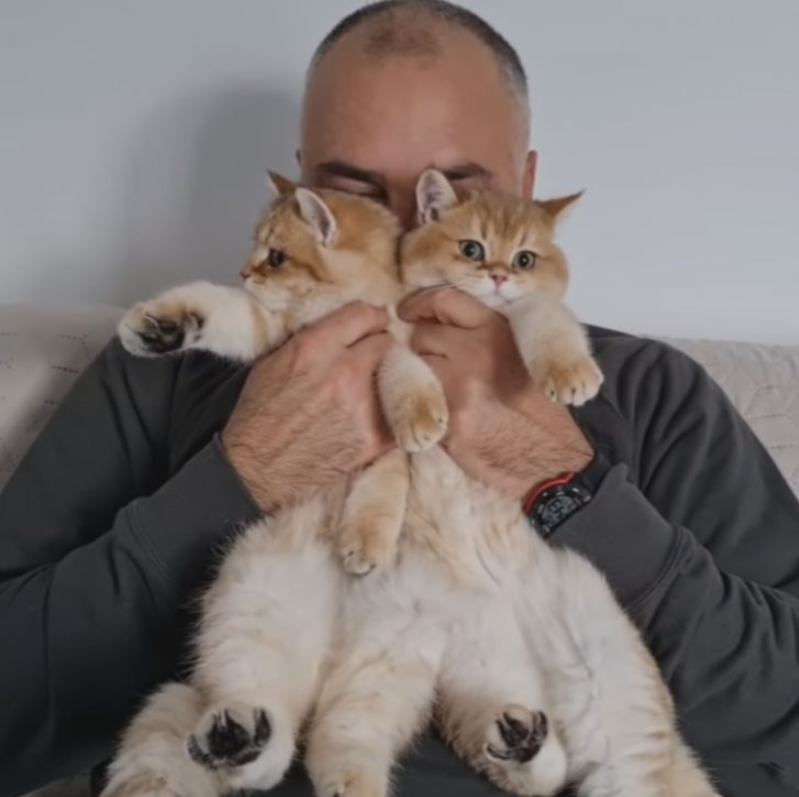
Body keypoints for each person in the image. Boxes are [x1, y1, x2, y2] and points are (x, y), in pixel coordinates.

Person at [1, 2, 798, 796]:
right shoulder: (174, 359)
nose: (403, 238)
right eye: (355, 195)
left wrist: (559, 481)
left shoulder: (645, 389)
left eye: (451, 195)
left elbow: (783, 713)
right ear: (303, 187)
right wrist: (240, 477)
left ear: (522, 189)